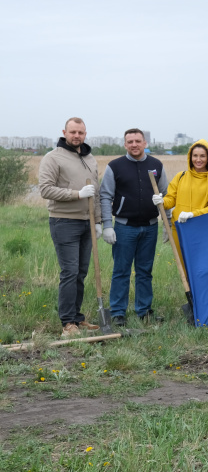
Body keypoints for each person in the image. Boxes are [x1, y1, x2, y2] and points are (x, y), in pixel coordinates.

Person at [38, 117, 102, 337]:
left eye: (81, 133)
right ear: (65, 132)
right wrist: (76, 194)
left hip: (87, 222)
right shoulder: (53, 158)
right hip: (64, 221)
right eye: (73, 132)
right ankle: (67, 323)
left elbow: (98, 192)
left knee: (81, 272)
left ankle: (77, 317)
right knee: (70, 272)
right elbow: (45, 189)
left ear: (85, 133)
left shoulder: (90, 158)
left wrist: (99, 221)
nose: (77, 136)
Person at [98, 128, 168, 327]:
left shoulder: (156, 165)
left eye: (138, 141)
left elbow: (165, 195)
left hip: (150, 227)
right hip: (124, 227)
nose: (134, 144)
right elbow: (105, 196)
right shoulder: (115, 166)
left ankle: (144, 311)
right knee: (121, 270)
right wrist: (107, 225)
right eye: (130, 141)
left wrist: (167, 223)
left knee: (145, 271)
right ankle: (118, 312)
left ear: (145, 143)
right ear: (125, 145)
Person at [161, 139, 208, 269]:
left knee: (201, 268)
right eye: (195, 156)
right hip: (179, 229)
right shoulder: (181, 176)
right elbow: (170, 200)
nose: (198, 159)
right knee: (184, 267)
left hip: (202, 230)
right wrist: (161, 201)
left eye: (202, 156)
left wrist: (193, 214)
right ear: (190, 157)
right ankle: (187, 290)